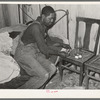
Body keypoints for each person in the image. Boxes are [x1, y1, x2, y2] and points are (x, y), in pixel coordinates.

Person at [14, 6, 71, 89]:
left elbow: (49, 42)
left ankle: (38, 88)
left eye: (53, 19)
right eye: (50, 18)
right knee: (43, 75)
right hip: (24, 54)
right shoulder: (35, 27)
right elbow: (44, 49)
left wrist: (62, 44)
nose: (52, 21)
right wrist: (59, 53)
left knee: (52, 69)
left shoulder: (43, 26)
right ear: (43, 16)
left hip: (34, 52)